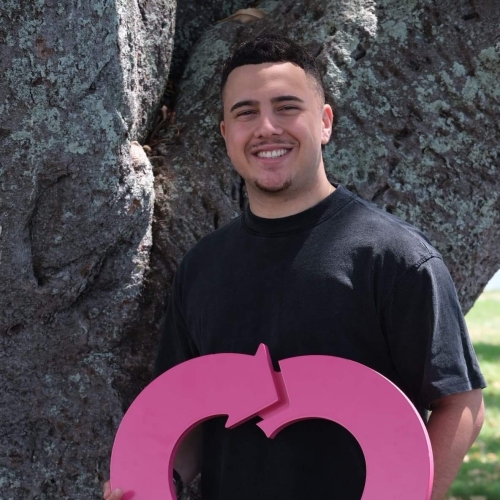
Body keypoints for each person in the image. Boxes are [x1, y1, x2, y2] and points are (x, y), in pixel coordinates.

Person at [104, 34, 485, 500]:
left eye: (287, 107)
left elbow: (460, 403)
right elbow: (190, 417)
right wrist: (153, 482)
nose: (266, 127)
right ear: (226, 133)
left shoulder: (395, 258)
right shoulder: (201, 267)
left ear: (324, 122)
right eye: (245, 112)